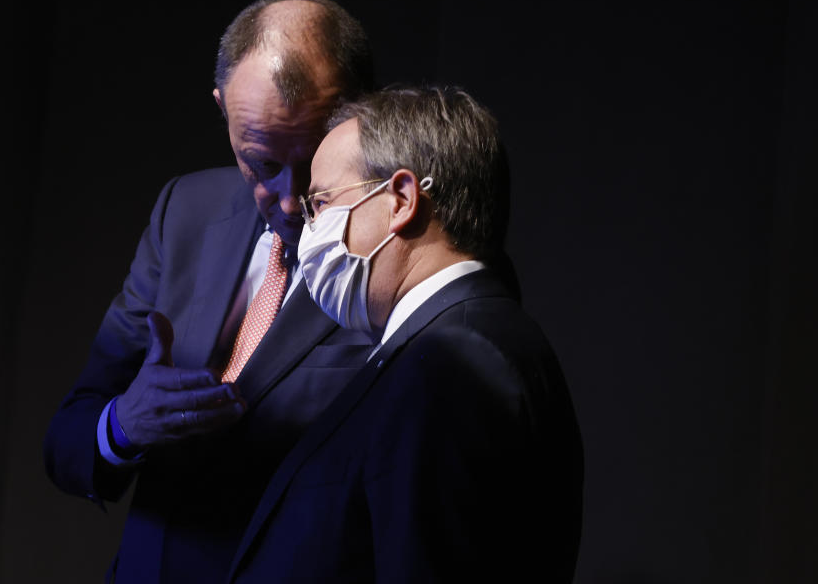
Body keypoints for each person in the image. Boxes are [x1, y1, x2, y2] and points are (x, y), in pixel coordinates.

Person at [43, 0, 378, 583]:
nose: (292, 201)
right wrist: (125, 424)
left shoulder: (396, 248)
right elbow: (68, 441)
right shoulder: (185, 211)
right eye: (262, 163)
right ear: (224, 110)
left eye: (315, 159)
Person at [227, 86, 583, 583]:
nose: (304, 228)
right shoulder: (451, 343)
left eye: (320, 203)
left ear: (400, 200)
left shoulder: (453, 362)